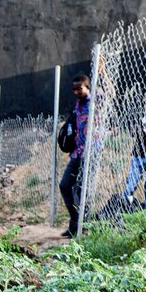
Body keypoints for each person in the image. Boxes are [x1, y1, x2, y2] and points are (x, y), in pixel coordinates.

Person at [59, 74, 91, 238]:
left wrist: (103, 72)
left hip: (91, 154)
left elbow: (110, 92)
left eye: (80, 88)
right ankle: (75, 221)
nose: (76, 92)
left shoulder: (94, 102)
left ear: (87, 87)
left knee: (81, 190)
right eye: (74, 89)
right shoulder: (77, 105)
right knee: (65, 185)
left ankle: (82, 227)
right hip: (77, 153)